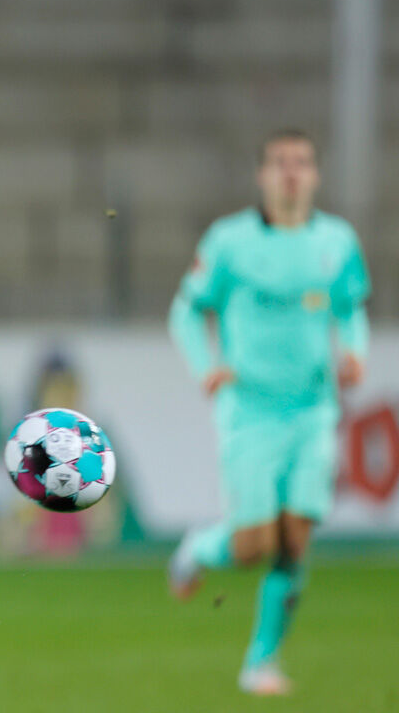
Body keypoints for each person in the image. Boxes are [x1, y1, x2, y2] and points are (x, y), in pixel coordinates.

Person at [167, 129, 370, 696]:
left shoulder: (336, 241)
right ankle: (199, 548)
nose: (290, 172)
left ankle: (261, 662)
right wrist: (205, 365)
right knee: (254, 545)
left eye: (301, 162)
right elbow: (186, 311)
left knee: (297, 537)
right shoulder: (230, 243)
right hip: (249, 411)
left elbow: (351, 310)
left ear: (314, 176)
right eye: (280, 162)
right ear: (262, 175)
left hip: (312, 410)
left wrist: (354, 352)